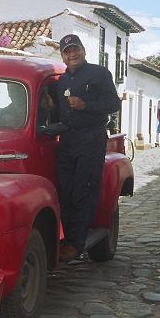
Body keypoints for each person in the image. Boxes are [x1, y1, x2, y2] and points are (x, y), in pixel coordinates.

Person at [49, 34, 121, 262]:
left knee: (84, 190)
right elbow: (58, 112)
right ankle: (67, 239)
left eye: (75, 49)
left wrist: (85, 105)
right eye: (67, 51)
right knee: (66, 191)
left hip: (91, 138)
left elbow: (114, 104)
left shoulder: (99, 74)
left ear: (83, 50)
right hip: (66, 140)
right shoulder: (61, 81)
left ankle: (76, 243)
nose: (72, 54)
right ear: (63, 56)